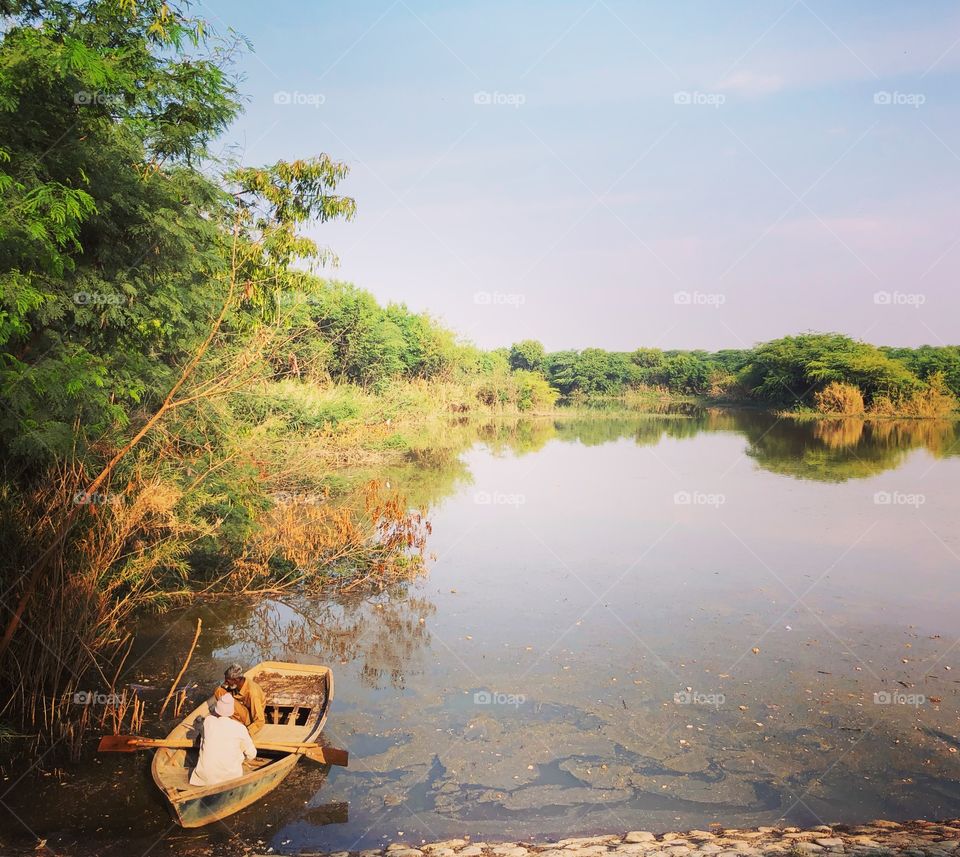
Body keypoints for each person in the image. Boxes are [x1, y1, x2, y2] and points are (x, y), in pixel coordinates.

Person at [189, 693, 256, 786]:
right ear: (232, 711)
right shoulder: (240, 728)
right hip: (230, 779)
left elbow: (199, 726)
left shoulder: (208, 722)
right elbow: (252, 754)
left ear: (216, 710)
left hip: (204, 779)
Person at [213, 663, 266, 735]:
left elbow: (260, 720)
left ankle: (235, 724)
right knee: (219, 691)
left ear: (236, 680)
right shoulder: (239, 683)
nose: (225, 683)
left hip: (249, 717)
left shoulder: (253, 694)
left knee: (230, 703)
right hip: (242, 707)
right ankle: (227, 719)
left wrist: (246, 732)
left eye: (227, 681)